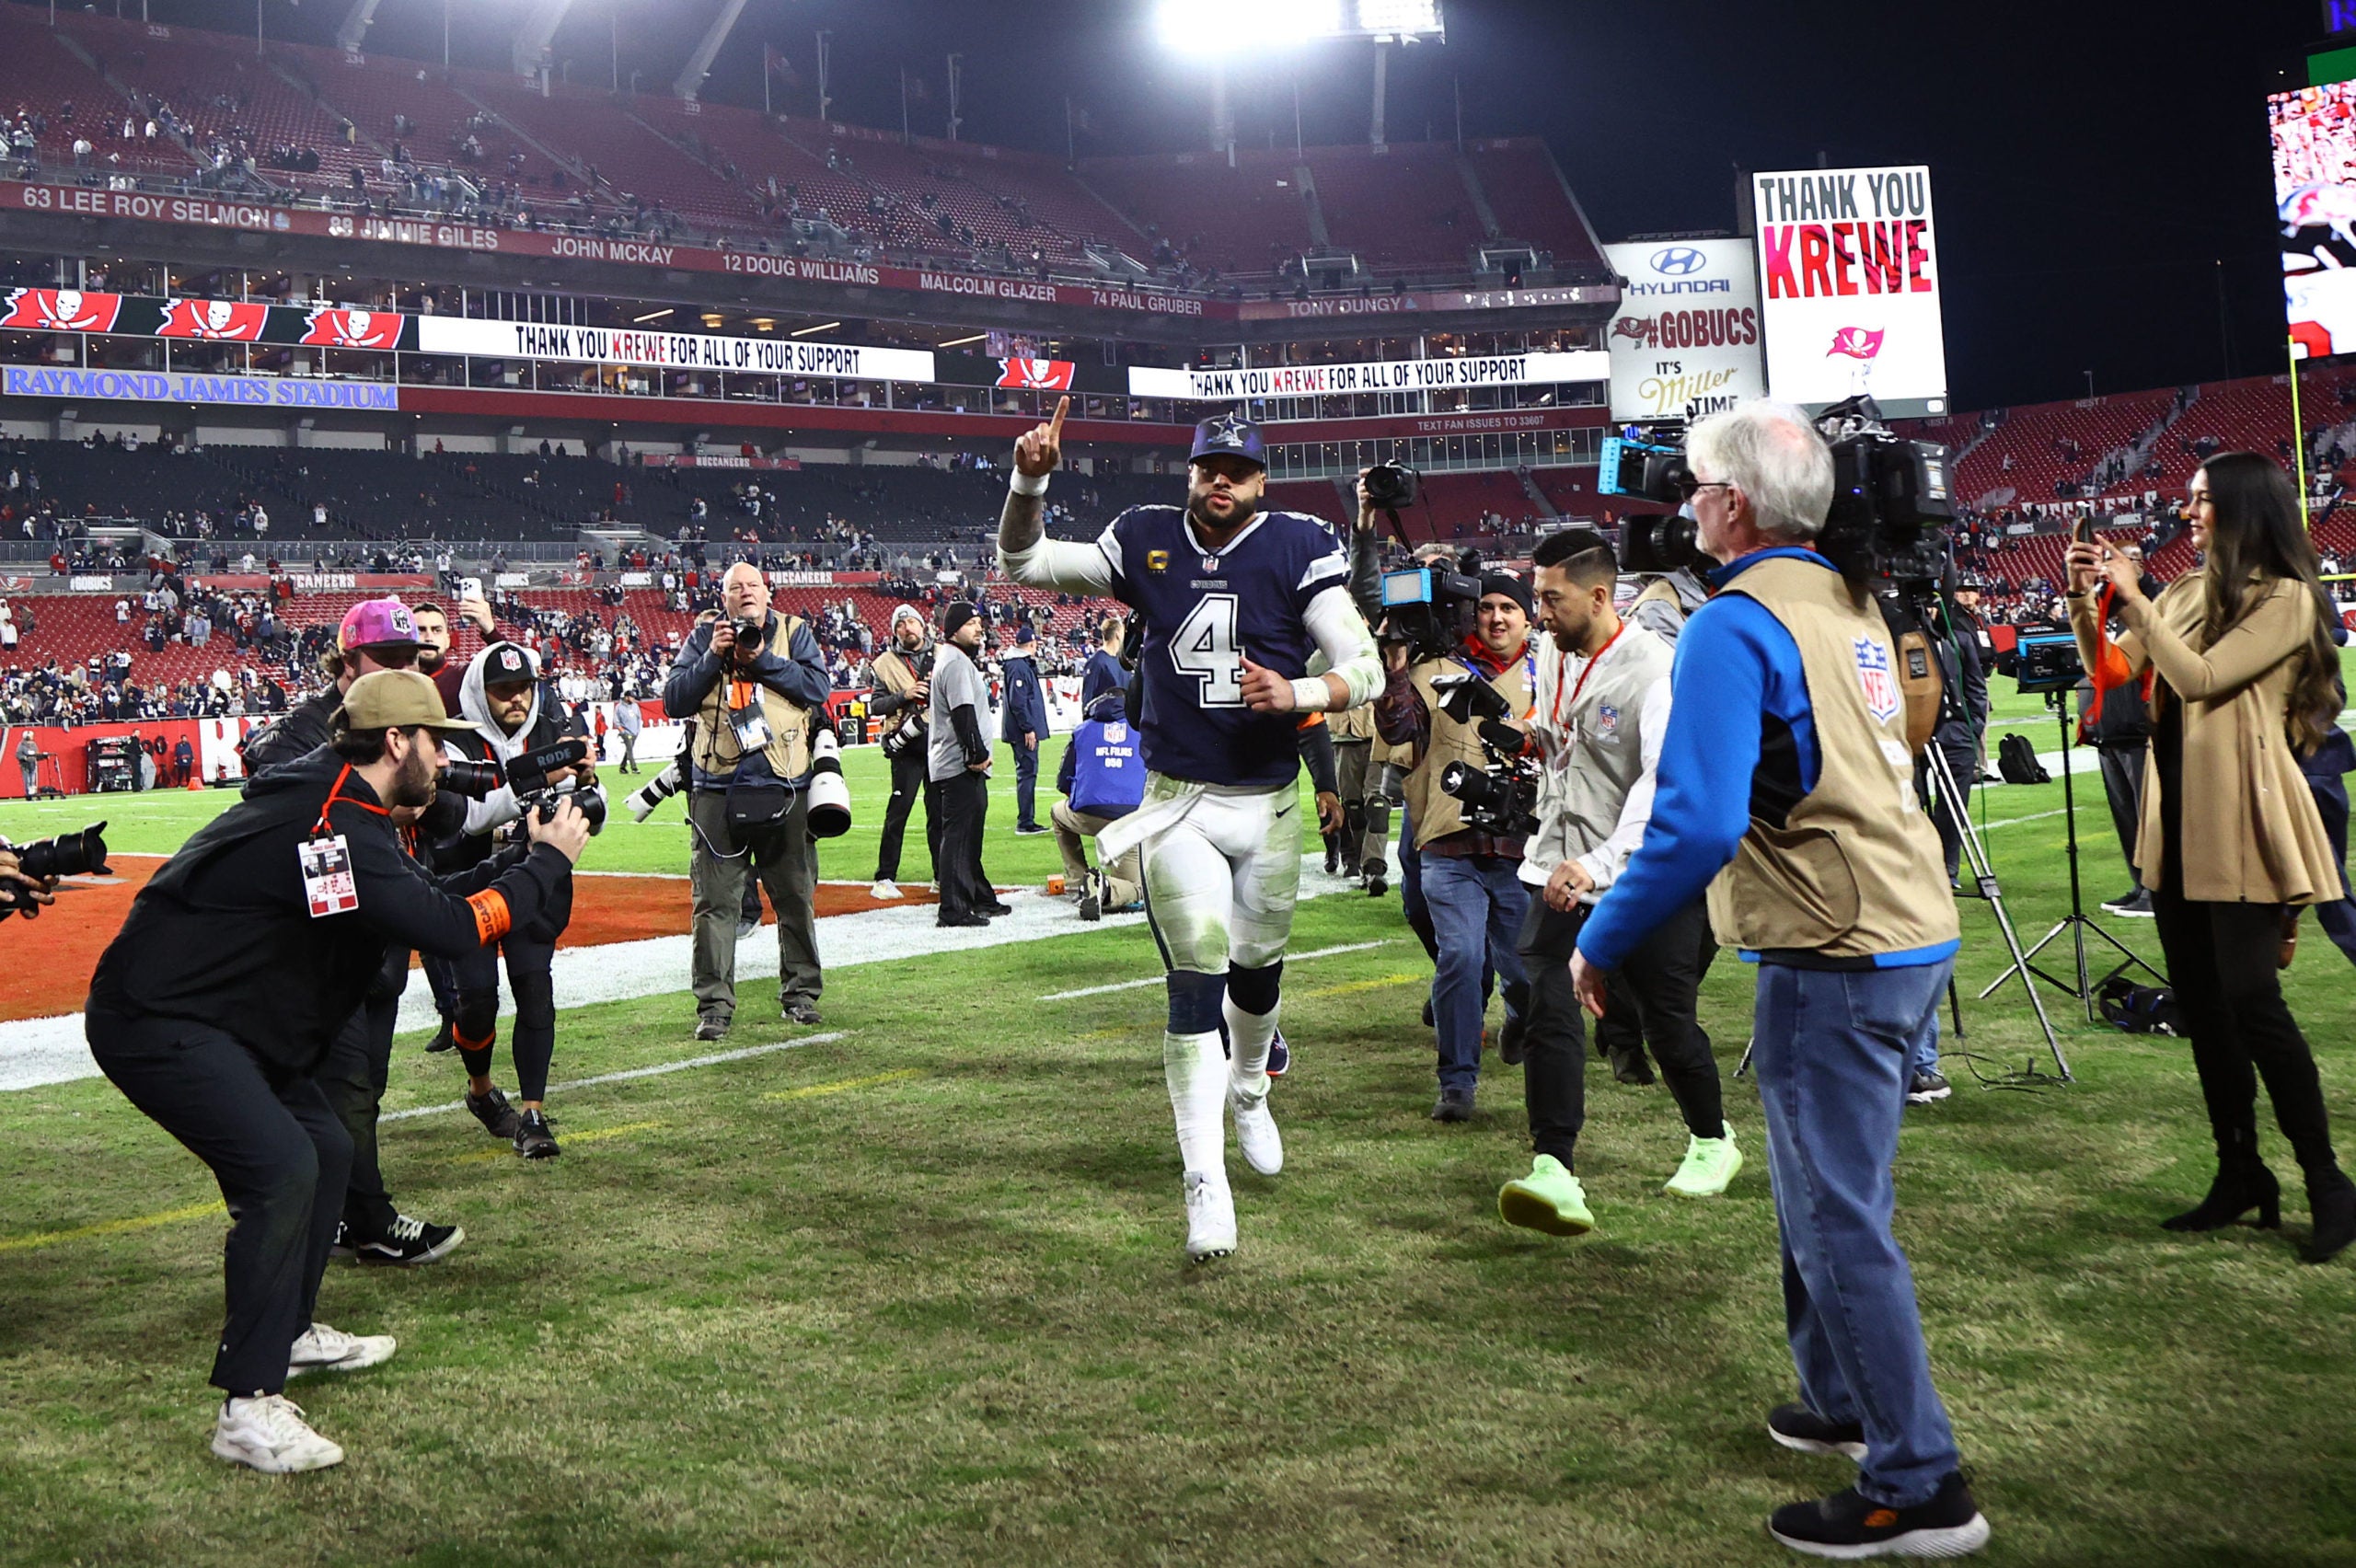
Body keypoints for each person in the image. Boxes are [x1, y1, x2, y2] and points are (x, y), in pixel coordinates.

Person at [1570, 401, 1988, 1557]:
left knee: (1834, 1212)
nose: (1682, 503)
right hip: (1899, 920)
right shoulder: (1847, 596)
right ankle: (1840, 1400)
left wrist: (1600, 938)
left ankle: (1919, 1482)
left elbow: (1694, 822)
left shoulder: (1732, 620)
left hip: (1833, 941)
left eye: (1697, 486)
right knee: (1824, 1192)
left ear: (1734, 502)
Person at [84, 671, 587, 1473]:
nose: (443, 761)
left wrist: (521, 861)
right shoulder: (336, 819)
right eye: (436, 742)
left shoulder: (336, 805)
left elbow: (415, 904)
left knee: (324, 1146)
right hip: (162, 1017)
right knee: (283, 1168)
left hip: (217, 1014)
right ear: (398, 742)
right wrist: (549, 864)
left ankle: (289, 1330)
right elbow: (451, 929)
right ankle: (247, 1408)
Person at [999, 400, 1381, 1262]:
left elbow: (1362, 662)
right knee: (1195, 985)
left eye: (1237, 470)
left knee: (1258, 977)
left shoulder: (1296, 544)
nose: (1221, 481)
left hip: (1271, 803)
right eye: (1209, 467)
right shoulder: (1143, 535)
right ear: (1190, 472)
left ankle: (1251, 1088)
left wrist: (1303, 693)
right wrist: (1031, 478)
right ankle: (1202, 1179)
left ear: (1261, 479)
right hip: (1178, 804)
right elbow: (1022, 558)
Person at [2067, 452, 2355, 1265]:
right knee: (2204, 1009)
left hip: (2247, 816)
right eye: (2188, 501)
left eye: (2201, 501)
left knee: (2252, 1000)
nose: (2188, 513)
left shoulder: (2288, 598)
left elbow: (2197, 678)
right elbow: (2114, 670)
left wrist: (2135, 596)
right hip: (2182, 821)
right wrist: (2085, 597)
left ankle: (2329, 1182)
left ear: (2238, 506)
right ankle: (2240, 1173)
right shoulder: (2188, 592)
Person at [1496, 528, 1737, 1237]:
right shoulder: (1553, 649)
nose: (1538, 613)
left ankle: (1712, 1139)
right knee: (1546, 1004)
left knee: (1666, 1021)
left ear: (1599, 596)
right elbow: (1572, 743)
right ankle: (1555, 1166)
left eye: (1550, 599)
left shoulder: (1657, 667)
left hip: (1639, 874)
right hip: (1554, 864)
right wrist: (1529, 736)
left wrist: (1599, 865)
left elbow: (1663, 784)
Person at [1373, 571, 1536, 1121]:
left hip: (1525, 848)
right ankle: (1458, 1082)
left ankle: (1519, 1015)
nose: (1495, 617)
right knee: (1461, 958)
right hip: (1449, 843)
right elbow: (1397, 733)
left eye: (1507, 608)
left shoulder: (1550, 673)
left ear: (1526, 618)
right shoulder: (1431, 673)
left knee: (1529, 970)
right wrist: (1395, 668)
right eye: (1485, 606)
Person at [663, 562, 831, 1039]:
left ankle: (801, 995)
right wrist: (713, 658)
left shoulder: (794, 632)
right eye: (735, 587)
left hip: (787, 784)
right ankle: (713, 1007)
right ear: (725, 598)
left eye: (752, 585)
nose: (745, 593)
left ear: (767, 592)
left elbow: (817, 689)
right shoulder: (702, 636)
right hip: (716, 788)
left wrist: (759, 660)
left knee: (795, 897)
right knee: (714, 903)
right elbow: (675, 699)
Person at [437, 641, 588, 1159]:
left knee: (535, 989)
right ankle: (481, 1092)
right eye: (503, 690)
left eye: (523, 687)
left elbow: (593, 803)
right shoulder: (455, 739)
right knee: (477, 1002)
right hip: (473, 884)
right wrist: (541, 778)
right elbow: (468, 816)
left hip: (533, 882)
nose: (516, 699)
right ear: (481, 692)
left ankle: (532, 1113)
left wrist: (586, 787)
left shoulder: (553, 733)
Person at [930, 601, 1004, 927]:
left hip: (960, 763)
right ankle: (953, 909)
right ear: (954, 628)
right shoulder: (956, 663)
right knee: (959, 837)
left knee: (969, 836)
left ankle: (978, 897)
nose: (979, 628)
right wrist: (976, 754)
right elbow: (962, 712)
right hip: (960, 765)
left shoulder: (953, 659)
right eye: (972, 622)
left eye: (979, 622)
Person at [1054, 690, 1147, 919]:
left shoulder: (1082, 730)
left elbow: (1063, 782)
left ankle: (1078, 881)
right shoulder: (1145, 728)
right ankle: (1104, 886)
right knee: (1134, 888)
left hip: (1089, 815)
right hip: (1131, 819)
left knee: (1057, 813)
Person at [868, 604, 935, 899]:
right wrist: (904, 695)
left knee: (940, 813)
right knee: (898, 812)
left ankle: (942, 876)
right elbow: (876, 706)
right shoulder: (885, 663)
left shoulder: (943, 655)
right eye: (900, 625)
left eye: (911, 622)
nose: (907, 628)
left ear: (922, 625)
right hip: (905, 746)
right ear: (895, 631)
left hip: (938, 744)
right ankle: (884, 877)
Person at [1001, 620, 1050, 834]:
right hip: (1023, 732)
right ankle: (1025, 821)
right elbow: (1018, 701)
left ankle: (1027, 819)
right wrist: (1028, 728)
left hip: (1022, 730)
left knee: (1028, 772)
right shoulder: (1019, 666)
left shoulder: (1017, 665)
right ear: (1031, 644)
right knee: (1027, 772)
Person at [1080, 617, 1125, 706]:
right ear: (1118, 634)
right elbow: (1088, 698)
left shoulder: (1123, 661)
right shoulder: (1096, 662)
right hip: (1105, 717)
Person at [613, 695, 642, 774]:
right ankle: (634, 768)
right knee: (630, 750)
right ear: (626, 697)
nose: (633, 699)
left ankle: (622, 767)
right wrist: (622, 731)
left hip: (634, 732)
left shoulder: (635, 706)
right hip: (626, 732)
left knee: (628, 750)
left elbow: (639, 718)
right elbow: (616, 720)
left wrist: (638, 730)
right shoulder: (619, 707)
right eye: (631, 697)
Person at [17, 728, 37, 796]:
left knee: (33, 776)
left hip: (32, 762)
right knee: (26, 778)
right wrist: (23, 757)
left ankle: (33, 790)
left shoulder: (33, 744)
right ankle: (27, 792)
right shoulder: (21, 744)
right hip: (25, 764)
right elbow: (18, 754)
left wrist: (36, 756)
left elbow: (36, 752)